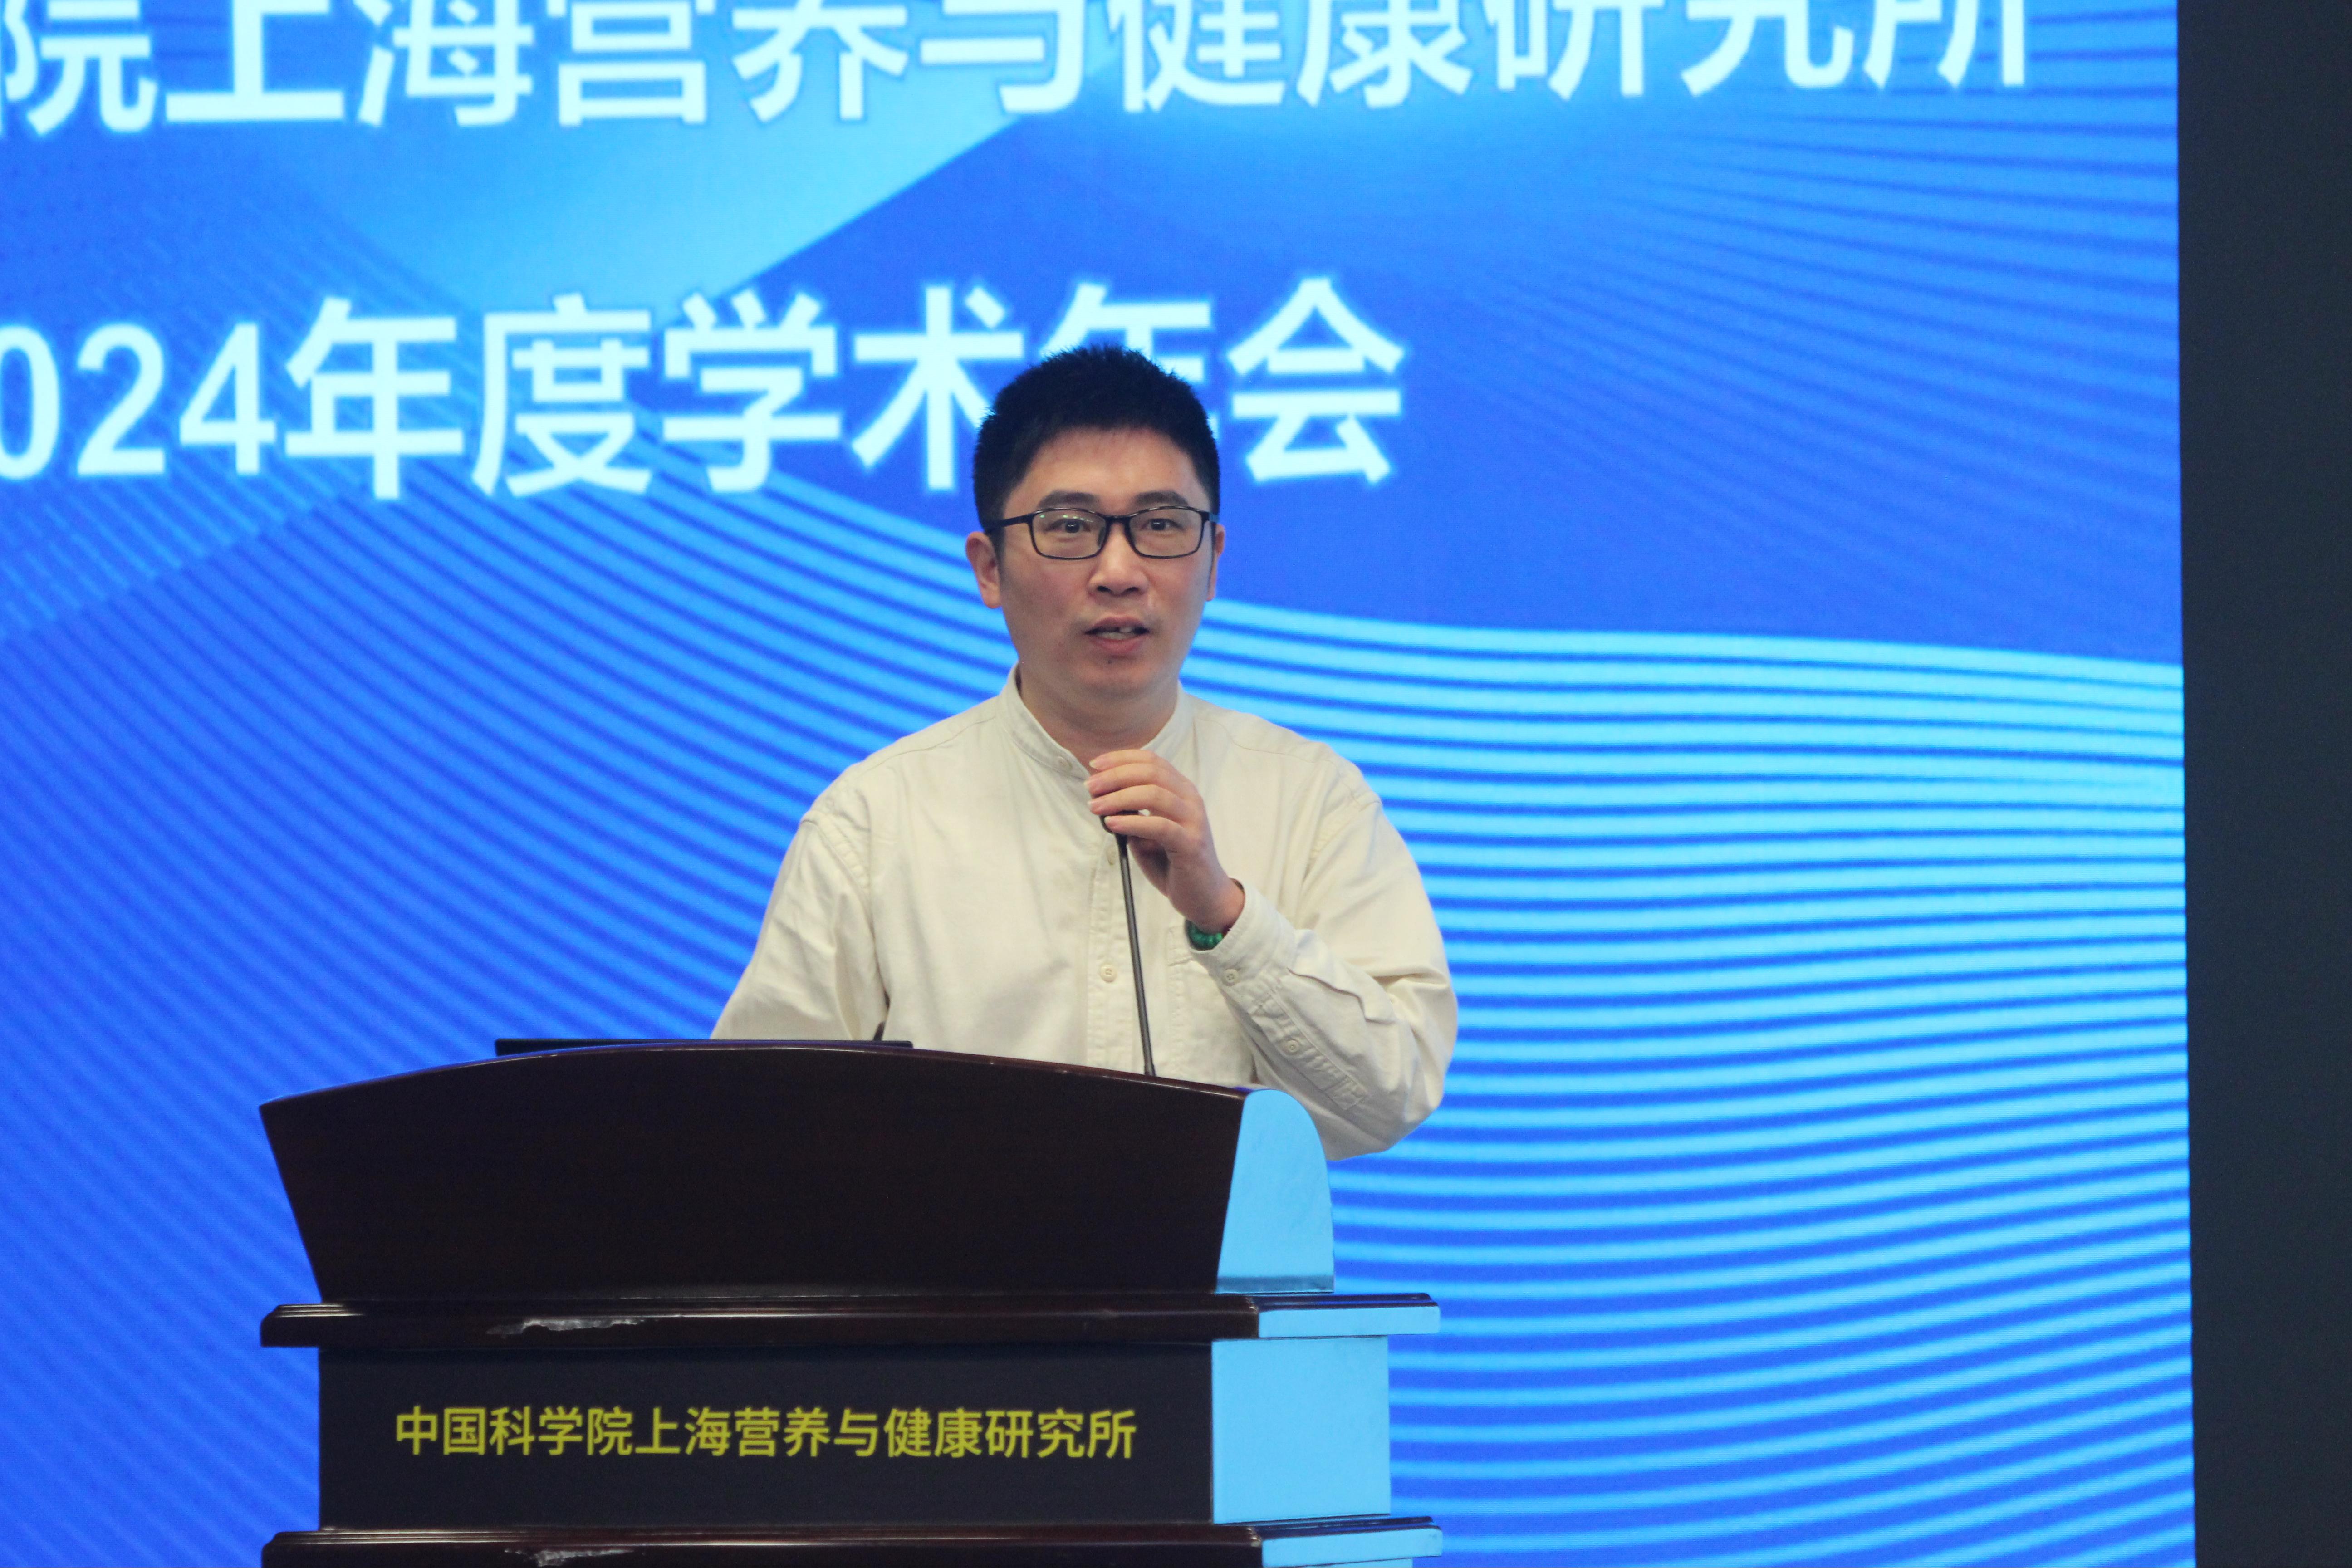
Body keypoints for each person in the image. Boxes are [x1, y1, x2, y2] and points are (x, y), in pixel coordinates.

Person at [713, 344, 1453, 1157]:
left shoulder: (1312, 797)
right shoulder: (873, 822)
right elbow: (756, 1129)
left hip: (1224, 1252)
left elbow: (1392, 1097)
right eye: (1070, 528)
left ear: (1213, 561)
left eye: (1161, 525)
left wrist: (1228, 918)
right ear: (989, 569)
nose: (1119, 571)